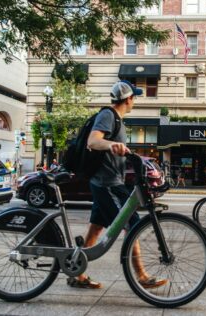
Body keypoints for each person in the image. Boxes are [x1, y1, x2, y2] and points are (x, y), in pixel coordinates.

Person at [67, 81, 167, 289]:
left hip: (108, 182)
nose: (135, 101)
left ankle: (77, 272)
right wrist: (113, 144)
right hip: (108, 184)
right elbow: (93, 142)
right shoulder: (108, 115)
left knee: (95, 230)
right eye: (134, 97)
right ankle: (141, 276)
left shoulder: (117, 120)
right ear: (128, 99)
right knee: (133, 226)